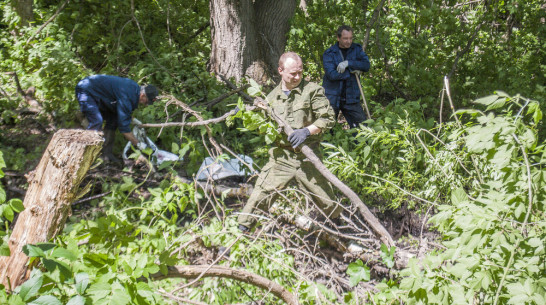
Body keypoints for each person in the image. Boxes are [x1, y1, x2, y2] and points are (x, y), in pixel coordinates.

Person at [237, 52, 340, 231]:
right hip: (282, 159)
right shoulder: (271, 98)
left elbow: (328, 118)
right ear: (280, 71)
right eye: (293, 73)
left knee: (328, 202)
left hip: (308, 158)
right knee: (259, 197)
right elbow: (265, 127)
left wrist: (307, 131)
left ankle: (342, 234)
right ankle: (239, 236)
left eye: (300, 72)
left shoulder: (312, 91)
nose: (298, 76)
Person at [75, 74, 158, 162]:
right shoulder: (128, 95)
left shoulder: (133, 91)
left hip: (100, 95)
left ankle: (106, 154)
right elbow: (124, 129)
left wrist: (133, 120)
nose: (145, 104)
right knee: (96, 122)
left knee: (114, 120)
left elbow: (123, 112)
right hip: (86, 90)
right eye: (147, 101)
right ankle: (86, 157)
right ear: (142, 95)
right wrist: (138, 144)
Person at [322, 25, 370, 128]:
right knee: (327, 129)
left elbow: (366, 65)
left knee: (362, 128)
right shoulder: (329, 53)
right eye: (345, 38)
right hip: (332, 97)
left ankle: (357, 144)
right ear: (338, 38)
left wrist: (349, 63)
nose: (348, 41)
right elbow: (331, 75)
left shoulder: (357, 49)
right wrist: (351, 72)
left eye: (350, 38)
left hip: (351, 97)